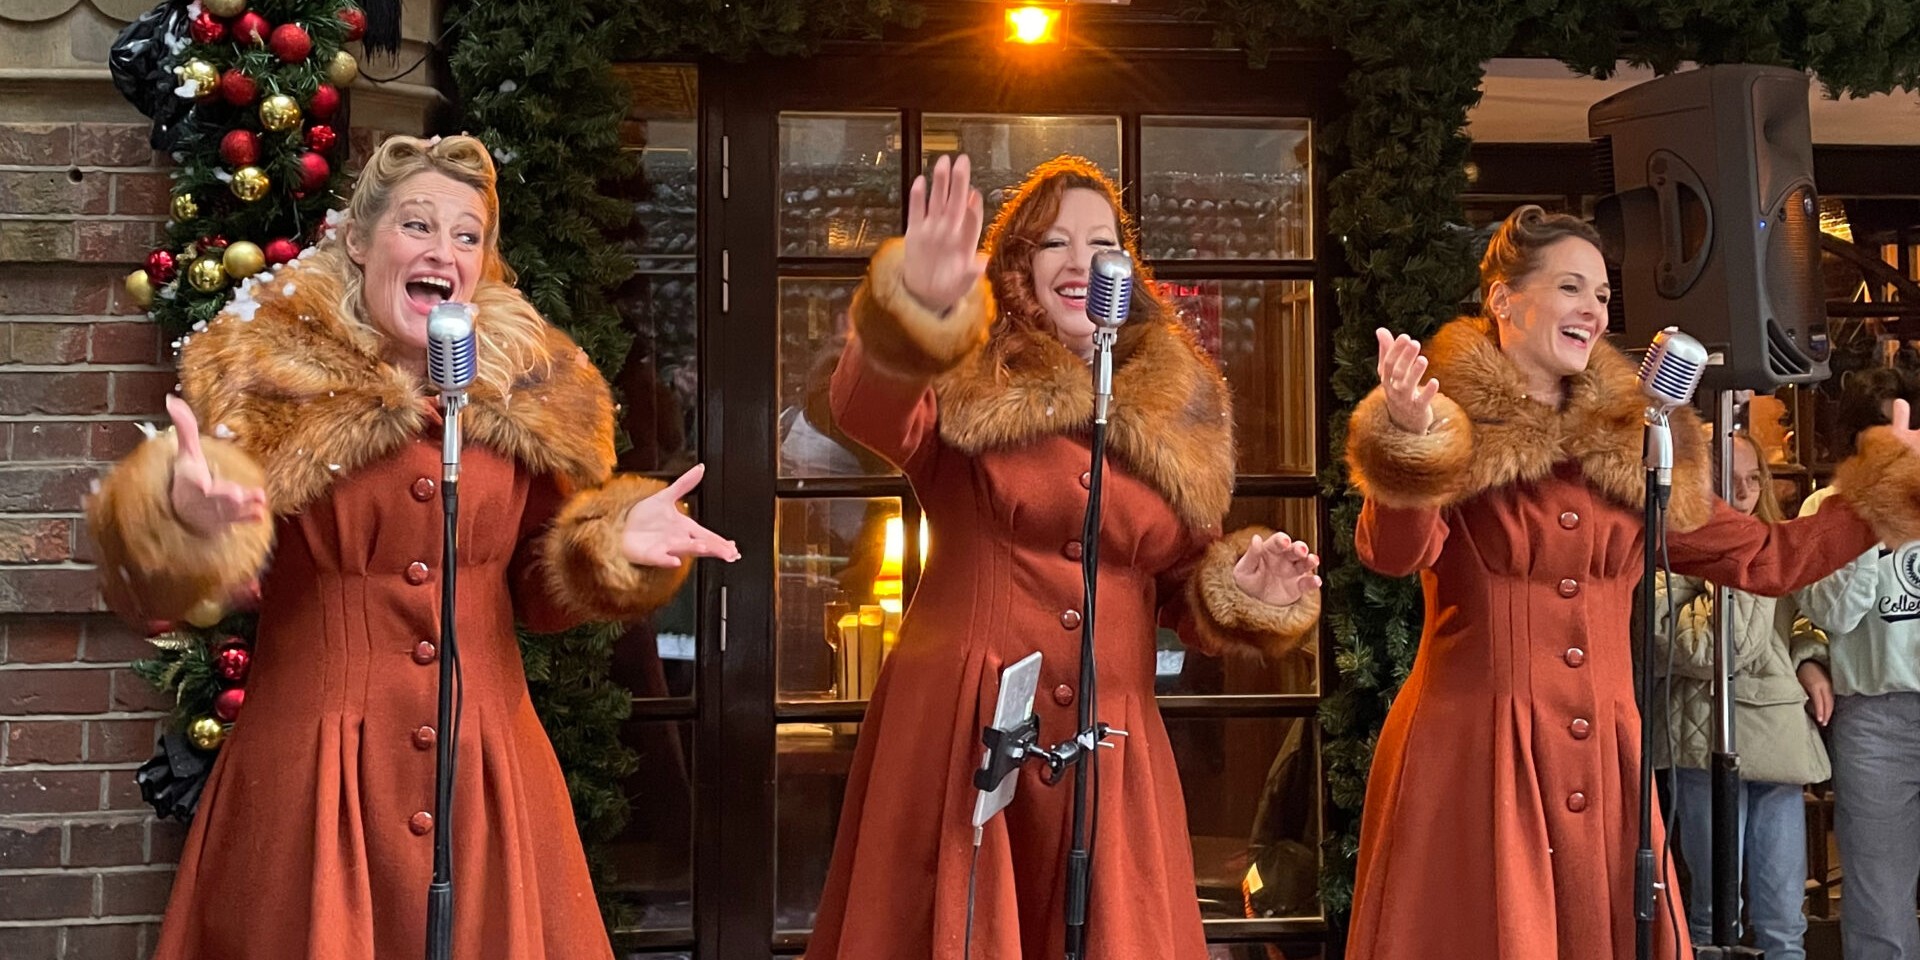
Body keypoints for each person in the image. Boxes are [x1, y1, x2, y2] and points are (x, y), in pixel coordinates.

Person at [86, 135, 738, 960]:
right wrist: (182, 521)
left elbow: (543, 589)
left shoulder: (527, 396)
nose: (444, 251)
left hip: (487, 783)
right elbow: (162, 598)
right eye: (418, 225)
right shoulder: (267, 382)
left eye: (468, 236)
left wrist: (612, 538)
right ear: (359, 242)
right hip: (310, 789)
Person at [1342, 203, 1920, 960]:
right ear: (1504, 299)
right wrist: (1408, 445)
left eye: (1604, 295)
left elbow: (1770, 560)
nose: (1593, 309)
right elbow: (1391, 553)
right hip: (1476, 754)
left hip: (1607, 762)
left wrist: (1889, 484)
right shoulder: (1447, 423)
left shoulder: (1638, 445)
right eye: (1572, 288)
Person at [803, 154, 1323, 959]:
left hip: (1110, 743)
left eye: (1100, 242)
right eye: (1053, 245)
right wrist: (923, 301)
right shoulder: (973, 369)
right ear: (1019, 269)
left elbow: (1184, 583)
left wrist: (1243, 583)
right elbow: (866, 407)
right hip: (965, 728)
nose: (1080, 262)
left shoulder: (1181, 406)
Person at [1651, 430, 1829, 960]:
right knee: (1711, 917)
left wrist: (1808, 657)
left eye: (1754, 479)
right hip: (1701, 741)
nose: (1745, 491)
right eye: (1727, 481)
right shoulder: (1664, 544)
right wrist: (1737, 554)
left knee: (1783, 921)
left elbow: (1802, 618)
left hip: (1775, 739)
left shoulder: (1772, 538)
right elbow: (1710, 648)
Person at [1794, 366, 1920, 960]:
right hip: (1873, 716)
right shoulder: (1829, 506)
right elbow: (1834, 617)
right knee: (1877, 894)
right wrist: (1872, 518)